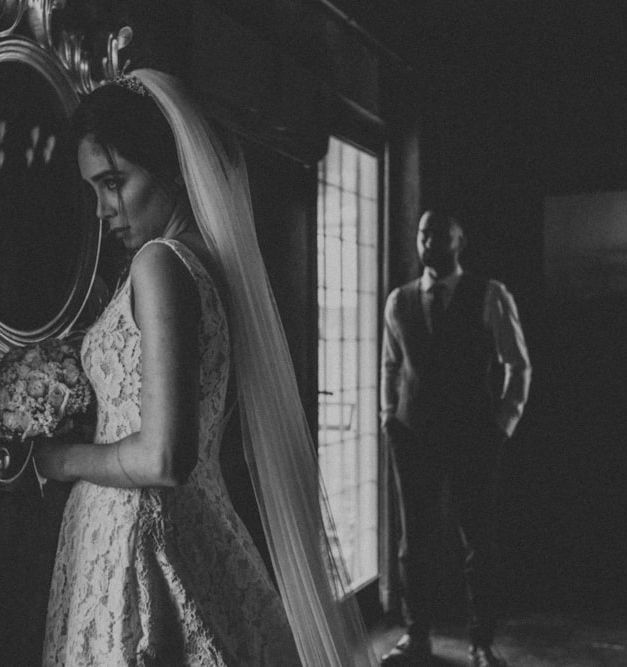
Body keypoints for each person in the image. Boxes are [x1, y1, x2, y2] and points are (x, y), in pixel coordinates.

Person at [33, 70, 377, 665]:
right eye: (93, 188)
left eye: (114, 182)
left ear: (169, 167)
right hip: (196, 525)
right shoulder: (209, 263)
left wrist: (60, 458)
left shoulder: (159, 264)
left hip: (144, 542)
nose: (101, 210)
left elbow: (165, 457)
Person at [379, 210, 531, 667]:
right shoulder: (399, 301)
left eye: (441, 236)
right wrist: (389, 415)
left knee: (478, 541)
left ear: (459, 242)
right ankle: (417, 633)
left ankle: (482, 642)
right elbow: (390, 364)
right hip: (413, 434)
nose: (430, 243)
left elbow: (517, 365)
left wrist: (502, 423)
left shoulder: (489, 294)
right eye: (424, 234)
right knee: (414, 540)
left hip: (472, 436)